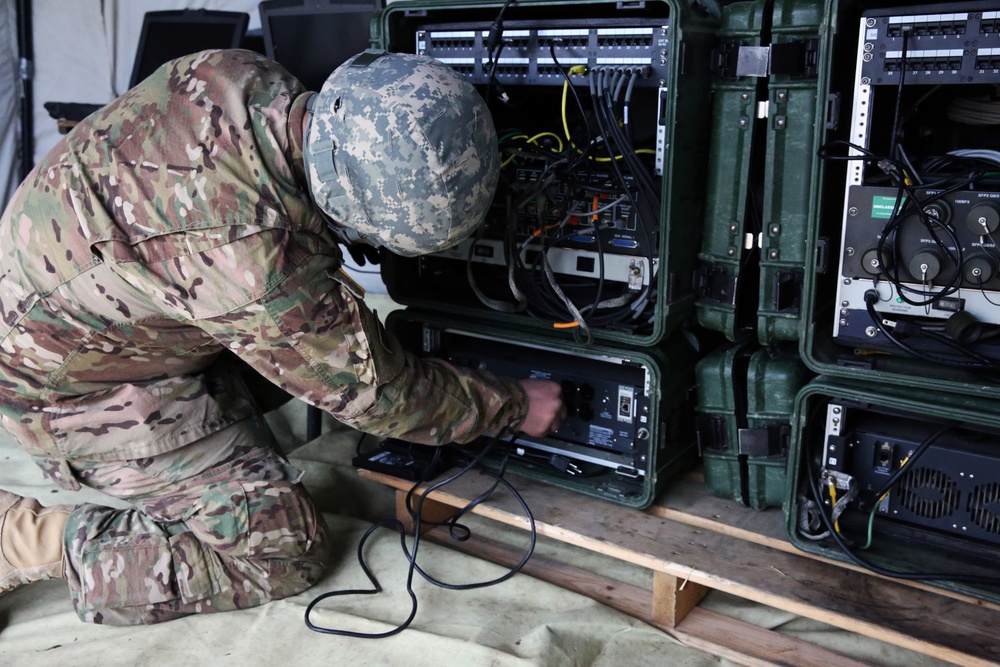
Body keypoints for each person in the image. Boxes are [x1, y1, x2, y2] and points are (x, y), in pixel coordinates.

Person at [0, 48, 565, 625]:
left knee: (306, 364)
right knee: (281, 551)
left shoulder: (244, 76)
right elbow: (377, 396)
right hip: (70, 394)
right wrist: (511, 404)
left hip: (116, 319)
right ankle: (21, 539)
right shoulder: (249, 255)